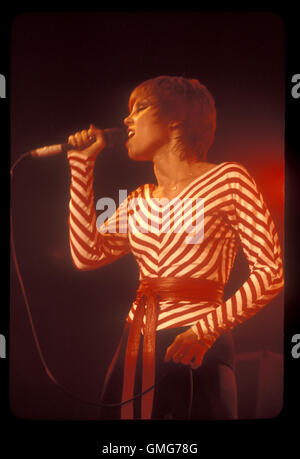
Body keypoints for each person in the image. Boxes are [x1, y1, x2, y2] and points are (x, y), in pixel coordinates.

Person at [66, 75, 284, 420]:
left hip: (199, 339)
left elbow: (270, 273)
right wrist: (81, 167)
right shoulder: (138, 201)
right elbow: (86, 256)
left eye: (140, 108)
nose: (127, 120)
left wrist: (204, 330)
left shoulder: (229, 179)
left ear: (177, 118)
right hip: (136, 344)